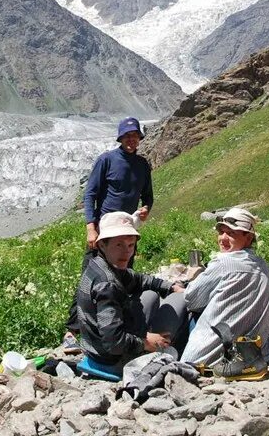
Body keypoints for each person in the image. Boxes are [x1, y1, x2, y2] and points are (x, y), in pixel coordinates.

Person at [64, 117, 153, 338]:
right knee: (90, 277)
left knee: (121, 277)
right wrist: (90, 228)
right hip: (104, 231)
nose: (131, 140)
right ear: (121, 138)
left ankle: (112, 327)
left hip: (127, 231)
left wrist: (145, 210)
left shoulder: (142, 165)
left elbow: (148, 197)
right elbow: (90, 194)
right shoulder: (107, 160)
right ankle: (73, 331)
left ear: (139, 138)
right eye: (127, 136)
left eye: (135, 136)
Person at [75, 212, 187, 371]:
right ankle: (161, 347)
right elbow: (113, 343)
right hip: (113, 359)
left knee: (151, 294)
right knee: (179, 299)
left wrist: (170, 287)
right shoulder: (107, 284)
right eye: (119, 245)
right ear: (102, 245)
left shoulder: (100, 264)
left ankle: (150, 338)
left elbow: (138, 279)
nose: (127, 252)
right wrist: (146, 342)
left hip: (94, 348)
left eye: (130, 245)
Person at [181, 208, 269, 368]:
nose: (223, 239)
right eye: (221, 232)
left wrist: (194, 279)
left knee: (183, 309)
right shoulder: (266, 268)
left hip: (209, 360)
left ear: (248, 239)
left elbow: (191, 300)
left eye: (231, 234)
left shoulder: (223, 263)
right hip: (257, 353)